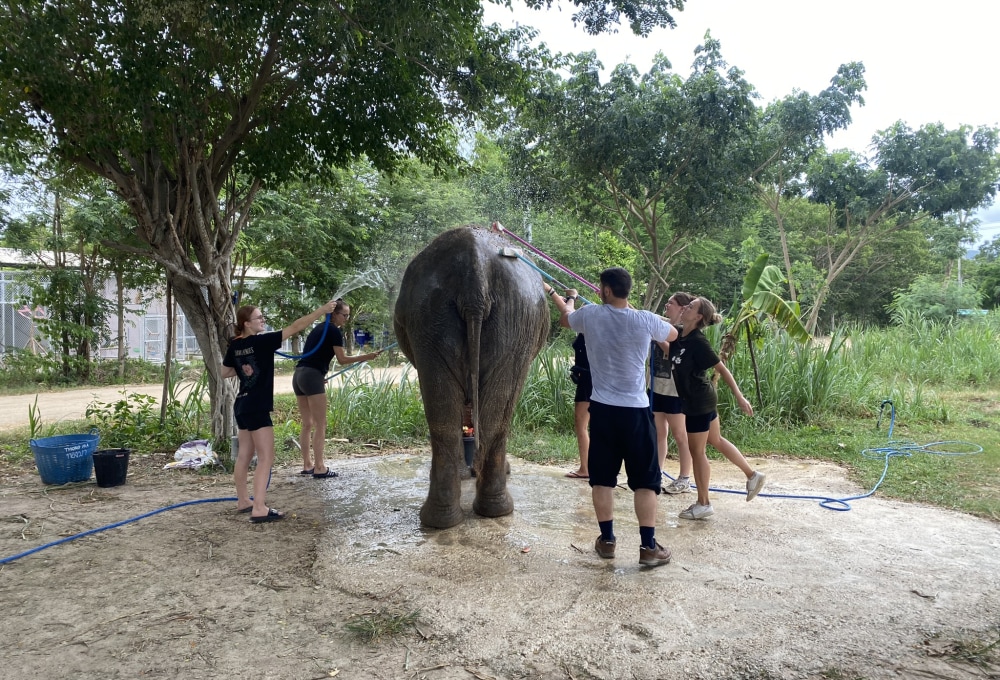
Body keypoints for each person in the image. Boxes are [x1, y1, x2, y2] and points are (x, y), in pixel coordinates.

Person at [550, 267, 677, 568]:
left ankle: (607, 541)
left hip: (603, 411)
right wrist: (636, 313)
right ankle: (648, 547)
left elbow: (565, 318)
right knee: (646, 482)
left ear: (606, 290)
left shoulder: (591, 315)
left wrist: (570, 298)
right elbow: (672, 334)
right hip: (636, 412)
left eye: (601, 287)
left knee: (602, 480)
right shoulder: (645, 319)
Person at [222, 300, 337, 523]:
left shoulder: (235, 345)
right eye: (259, 318)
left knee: (244, 456)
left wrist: (245, 366)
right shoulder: (263, 341)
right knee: (266, 458)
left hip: (242, 404)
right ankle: (259, 508)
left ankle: (243, 501)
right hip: (257, 406)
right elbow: (296, 327)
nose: (263, 320)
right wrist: (321, 311)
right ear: (246, 323)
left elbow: (225, 372)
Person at [670, 296, 765, 520]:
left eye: (690, 307)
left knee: (698, 452)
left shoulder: (697, 341)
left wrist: (740, 397)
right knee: (716, 440)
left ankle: (704, 503)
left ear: (699, 316)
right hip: (698, 399)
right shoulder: (680, 336)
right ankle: (753, 475)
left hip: (699, 402)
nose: (686, 308)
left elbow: (721, 369)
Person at [293, 299, 382, 479]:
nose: (346, 319)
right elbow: (342, 359)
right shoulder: (333, 330)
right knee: (320, 424)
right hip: (311, 376)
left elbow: (313, 356)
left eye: (348, 315)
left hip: (300, 375)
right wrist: (367, 356)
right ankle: (319, 467)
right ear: (334, 314)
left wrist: (317, 377)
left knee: (307, 423)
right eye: (345, 315)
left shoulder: (318, 328)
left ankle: (307, 465)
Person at [545, 284, 591, 479]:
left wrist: (568, 296)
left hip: (590, 379)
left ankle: (586, 469)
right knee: (591, 424)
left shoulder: (590, 321)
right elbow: (566, 311)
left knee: (581, 423)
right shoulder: (598, 321)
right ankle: (590, 466)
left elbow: (567, 316)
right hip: (593, 377)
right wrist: (553, 293)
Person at [651, 292, 695, 494]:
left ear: (682, 308)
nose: (667, 305)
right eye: (667, 302)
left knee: (680, 434)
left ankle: (684, 478)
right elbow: (641, 315)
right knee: (659, 433)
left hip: (675, 391)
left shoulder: (684, 331)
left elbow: (671, 351)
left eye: (671, 303)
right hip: (656, 387)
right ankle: (656, 473)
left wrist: (656, 335)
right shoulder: (662, 323)